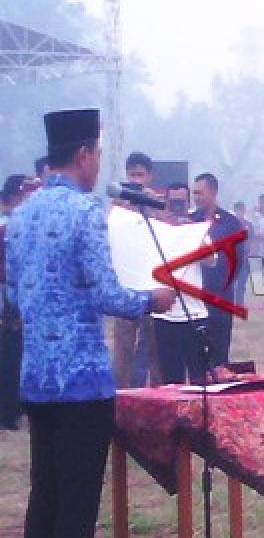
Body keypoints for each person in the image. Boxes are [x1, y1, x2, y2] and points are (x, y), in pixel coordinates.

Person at [6, 108, 173, 538]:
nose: (99, 164)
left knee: (44, 501)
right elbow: (105, 294)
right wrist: (150, 299)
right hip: (81, 381)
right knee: (77, 507)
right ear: (84, 155)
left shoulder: (22, 216)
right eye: (97, 155)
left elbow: (12, 297)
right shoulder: (84, 213)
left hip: (37, 380)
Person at [111, 152, 162, 389]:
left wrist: (151, 208)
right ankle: (122, 398)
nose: (136, 179)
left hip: (152, 282)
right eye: (132, 174)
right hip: (126, 283)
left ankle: (158, 396)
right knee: (123, 348)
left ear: (149, 176)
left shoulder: (157, 202)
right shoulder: (119, 203)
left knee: (155, 347)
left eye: (140, 174)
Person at [157, 183, 211, 383]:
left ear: (188, 204)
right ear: (166, 203)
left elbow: (211, 260)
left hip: (194, 312)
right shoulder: (157, 230)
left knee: (200, 378)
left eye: (181, 203)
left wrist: (189, 231)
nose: (177, 208)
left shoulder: (197, 230)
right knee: (171, 381)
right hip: (165, 314)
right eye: (173, 203)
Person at [190, 173, 244, 366]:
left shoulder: (230, 223)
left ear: (213, 192)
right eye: (194, 193)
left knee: (220, 350)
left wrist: (223, 282)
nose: (196, 198)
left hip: (220, 295)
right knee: (197, 351)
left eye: (200, 193)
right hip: (195, 295)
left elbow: (239, 260)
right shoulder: (190, 222)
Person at [0, 174, 38, 430]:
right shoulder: (8, 225)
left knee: (15, 353)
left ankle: (13, 408)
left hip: (16, 294)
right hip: (7, 295)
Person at [231, 200, 250, 309]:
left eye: (241, 210)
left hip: (244, 258)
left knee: (242, 283)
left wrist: (250, 252)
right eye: (237, 210)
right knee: (232, 283)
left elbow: (251, 240)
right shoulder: (230, 225)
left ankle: (239, 303)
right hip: (232, 258)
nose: (239, 212)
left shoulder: (248, 225)